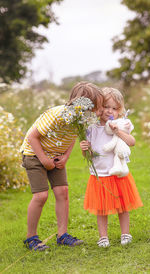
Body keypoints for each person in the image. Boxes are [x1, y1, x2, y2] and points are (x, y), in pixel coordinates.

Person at [21, 81, 104, 251]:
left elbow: (72, 136)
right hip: (34, 155)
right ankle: (31, 237)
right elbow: (32, 136)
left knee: (62, 192)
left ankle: (62, 235)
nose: (100, 110)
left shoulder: (81, 120)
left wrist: (65, 157)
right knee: (41, 196)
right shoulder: (58, 115)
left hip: (57, 156)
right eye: (98, 107)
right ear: (83, 104)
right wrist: (43, 159)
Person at [80, 87, 143, 247]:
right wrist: (84, 149)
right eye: (106, 106)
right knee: (101, 208)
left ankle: (125, 233)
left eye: (114, 108)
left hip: (119, 173)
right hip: (100, 175)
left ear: (119, 111)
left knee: (123, 206)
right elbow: (87, 156)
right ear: (98, 107)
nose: (110, 111)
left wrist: (117, 131)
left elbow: (132, 142)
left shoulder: (121, 125)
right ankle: (103, 236)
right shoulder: (92, 128)